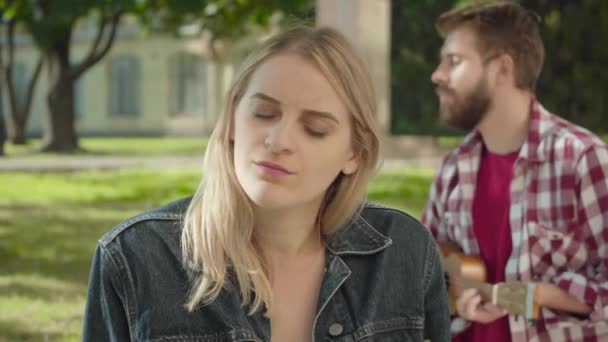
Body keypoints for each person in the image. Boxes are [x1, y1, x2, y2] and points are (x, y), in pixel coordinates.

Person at [83, 25, 450, 341]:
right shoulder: (133, 258)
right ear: (230, 122)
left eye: (315, 129)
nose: (279, 140)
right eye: (263, 114)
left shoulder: (405, 251)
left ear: (354, 153)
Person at [422, 1, 608, 341]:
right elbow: (422, 276)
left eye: (454, 61)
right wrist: (455, 300)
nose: (438, 74)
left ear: (502, 69)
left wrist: (539, 295)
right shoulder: (452, 170)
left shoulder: (583, 160)